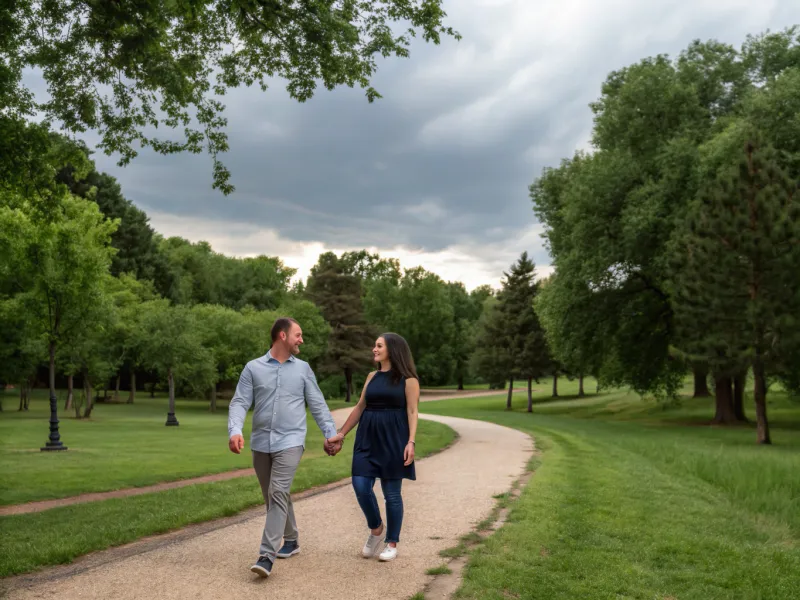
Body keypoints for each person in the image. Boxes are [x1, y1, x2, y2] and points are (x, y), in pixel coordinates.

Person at [228, 317, 341, 578]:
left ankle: (266, 556)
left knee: (277, 491)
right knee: (274, 494)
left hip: (291, 441)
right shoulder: (253, 368)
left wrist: (331, 434)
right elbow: (239, 402)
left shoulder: (303, 369)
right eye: (298, 335)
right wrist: (235, 430)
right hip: (260, 442)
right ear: (282, 335)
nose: (302, 340)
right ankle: (291, 540)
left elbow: (318, 404)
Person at [325, 332, 420, 562]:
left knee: (392, 494)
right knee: (360, 485)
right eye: (374, 346)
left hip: (394, 440)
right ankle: (376, 529)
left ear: (393, 350)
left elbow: (412, 412)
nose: (374, 349)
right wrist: (341, 434)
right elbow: (359, 407)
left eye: (379, 346)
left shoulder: (409, 381)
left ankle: (392, 542)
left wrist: (411, 442)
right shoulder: (371, 376)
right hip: (367, 438)